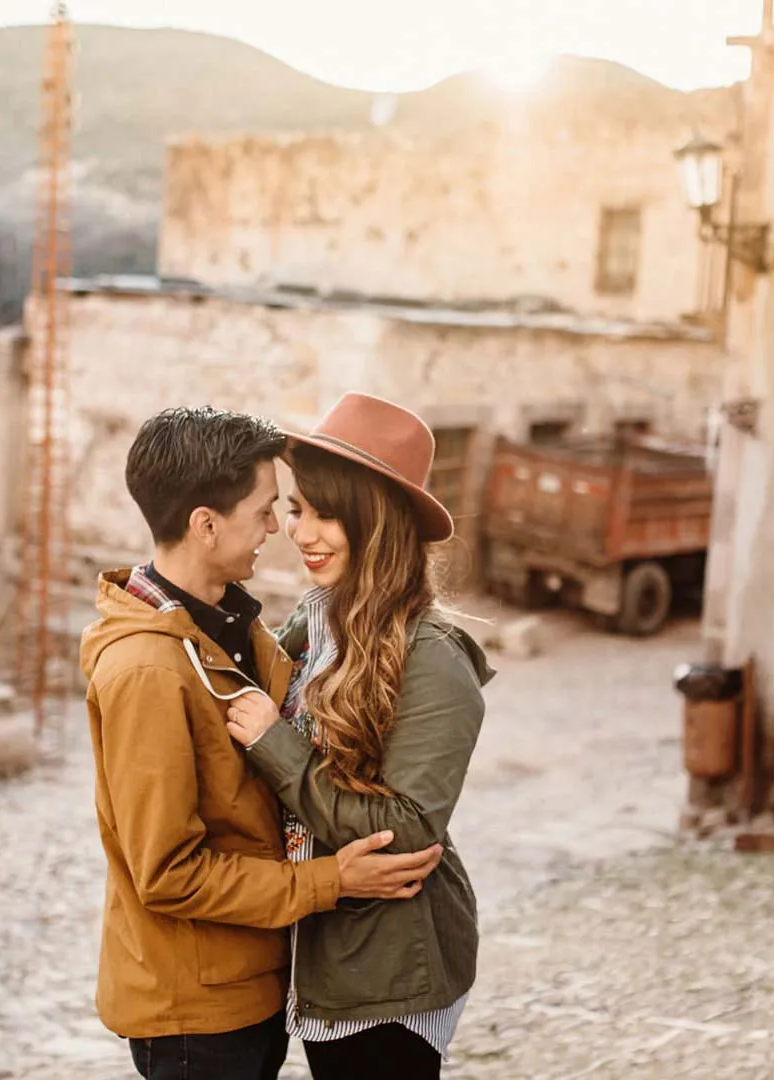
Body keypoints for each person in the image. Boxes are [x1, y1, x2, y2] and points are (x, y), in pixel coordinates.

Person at [80, 405, 447, 1080]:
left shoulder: (239, 628)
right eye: (267, 510)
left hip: (253, 986)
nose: (279, 528)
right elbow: (167, 873)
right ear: (206, 524)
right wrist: (332, 881)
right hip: (195, 1013)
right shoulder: (147, 669)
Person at [224, 392, 494, 1080]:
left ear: (378, 522)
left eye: (328, 513)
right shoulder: (318, 626)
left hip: (390, 962)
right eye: (297, 509)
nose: (302, 531)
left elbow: (405, 833)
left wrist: (274, 745)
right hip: (330, 945)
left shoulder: (431, 654)